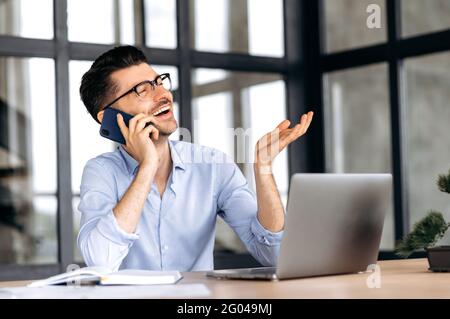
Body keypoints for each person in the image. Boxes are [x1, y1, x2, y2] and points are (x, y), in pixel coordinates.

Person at [77, 45, 313, 271]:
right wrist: (147, 167)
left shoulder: (212, 165)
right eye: (142, 90)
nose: (164, 94)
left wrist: (263, 168)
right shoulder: (101, 172)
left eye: (159, 82)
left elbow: (275, 255)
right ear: (109, 117)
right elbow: (101, 261)